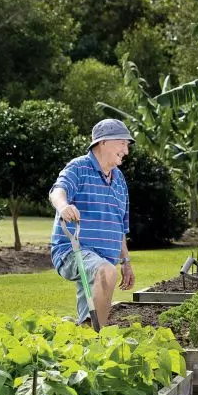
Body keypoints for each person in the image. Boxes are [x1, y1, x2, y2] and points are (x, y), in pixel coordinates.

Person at [49, 118, 135, 327]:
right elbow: (57, 191)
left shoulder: (119, 179)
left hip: (104, 258)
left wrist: (125, 262)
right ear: (103, 142)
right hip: (74, 250)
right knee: (105, 273)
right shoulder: (79, 167)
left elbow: (120, 225)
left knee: (89, 310)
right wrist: (63, 207)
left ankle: (83, 340)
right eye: (122, 143)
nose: (126, 150)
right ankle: (98, 336)